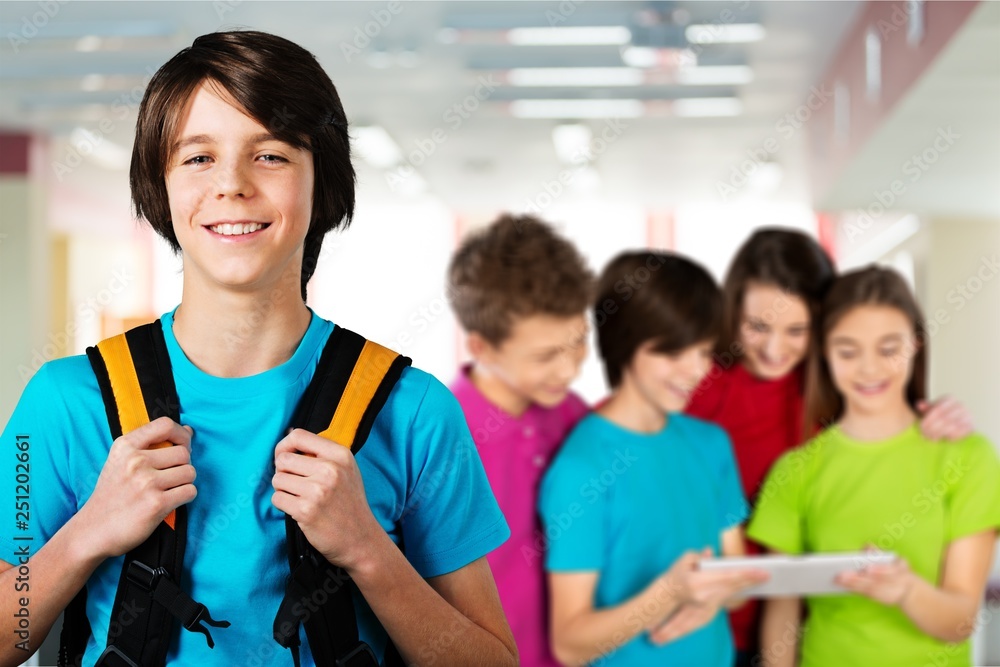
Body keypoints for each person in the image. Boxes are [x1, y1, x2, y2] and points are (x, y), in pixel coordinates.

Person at [0, 30, 517, 667]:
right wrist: (85, 534)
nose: (233, 185)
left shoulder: (414, 413)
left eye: (270, 155)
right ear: (159, 188)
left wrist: (369, 552)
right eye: (197, 158)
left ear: (319, 183)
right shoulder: (62, 403)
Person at [684, 229, 975, 666]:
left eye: (796, 330)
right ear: (731, 311)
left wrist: (941, 418)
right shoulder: (695, 386)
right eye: (757, 326)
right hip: (707, 625)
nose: (774, 348)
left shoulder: (841, 389)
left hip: (821, 625)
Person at [747, 266, 1000, 667]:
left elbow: (961, 620)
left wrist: (906, 592)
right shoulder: (794, 471)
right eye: (848, 351)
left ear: (915, 345)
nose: (869, 369)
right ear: (825, 353)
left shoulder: (968, 458)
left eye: (888, 349)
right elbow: (783, 612)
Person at [539, 251, 768, 667]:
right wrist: (668, 595)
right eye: (673, 353)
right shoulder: (580, 470)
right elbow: (570, 644)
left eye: (703, 352)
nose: (696, 371)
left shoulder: (711, 443)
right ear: (625, 342)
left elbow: (735, 584)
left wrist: (713, 593)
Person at [447, 214, 593, 667]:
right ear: (481, 348)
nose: (570, 370)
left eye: (579, 342)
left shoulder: (574, 414)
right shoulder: (439, 435)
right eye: (546, 355)